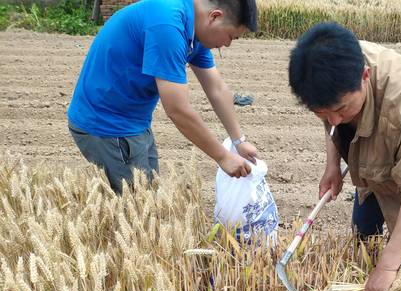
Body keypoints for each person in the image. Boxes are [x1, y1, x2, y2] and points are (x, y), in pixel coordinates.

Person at [288, 22, 401, 291]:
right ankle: (368, 277)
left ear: (365, 76)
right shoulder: (333, 74)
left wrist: (387, 267)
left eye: (340, 109)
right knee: (363, 226)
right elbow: (332, 120)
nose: (332, 120)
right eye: (321, 112)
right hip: (373, 146)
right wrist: (332, 165)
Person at [67, 0, 259, 194]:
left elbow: (216, 88)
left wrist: (238, 141)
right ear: (215, 16)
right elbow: (177, 109)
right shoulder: (168, 25)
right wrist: (223, 157)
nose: (227, 44)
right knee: (137, 205)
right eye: (230, 36)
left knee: (148, 197)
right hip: (106, 124)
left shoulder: (195, 30)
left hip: (135, 121)